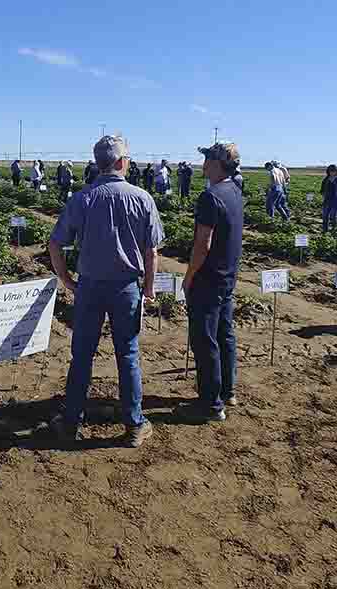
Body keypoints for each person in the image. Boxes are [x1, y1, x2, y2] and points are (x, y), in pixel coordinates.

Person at [47, 135, 163, 447]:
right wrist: (149, 289)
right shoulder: (142, 198)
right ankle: (135, 424)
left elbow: (55, 244)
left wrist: (67, 280)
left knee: (82, 355)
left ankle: (71, 422)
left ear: (98, 164)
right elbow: (151, 252)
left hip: (89, 287)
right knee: (127, 353)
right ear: (123, 162)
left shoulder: (82, 198)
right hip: (126, 287)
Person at [178, 143, 244, 423]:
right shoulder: (235, 191)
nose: (203, 165)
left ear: (217, 163)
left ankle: (211, 404)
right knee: (224, 336)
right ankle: (228, 392)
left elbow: (202, 246)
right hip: (227, 276)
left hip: (208, 279)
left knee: (205, 342)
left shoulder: (210, 196)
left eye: (206, 160)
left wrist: (189, 276)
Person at [320, 165, 337, 232]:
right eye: (331, 171)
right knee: (325, 216)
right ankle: (325, 230)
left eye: (334, 171)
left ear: (336, 172)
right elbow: (322, 189)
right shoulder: (326, 179)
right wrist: (323, 194)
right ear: (328, 171)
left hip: (336, 201)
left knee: (333, 216)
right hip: (327, 200)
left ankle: (334, 230)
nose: (332, 172)